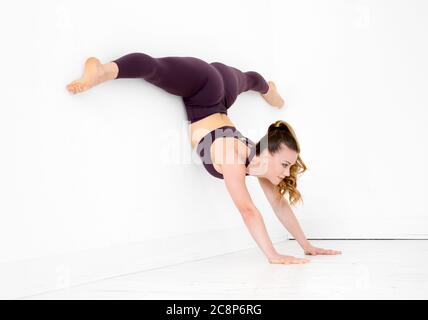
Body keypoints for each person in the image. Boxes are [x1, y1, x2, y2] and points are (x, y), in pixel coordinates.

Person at [66, 52, 342, 264]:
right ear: (268, 153)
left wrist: (306, 245)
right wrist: (273, 255)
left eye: (290, 166)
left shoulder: (259, 163)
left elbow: (280, 205)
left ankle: (269, 89)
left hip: (223, 95)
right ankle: (101, 70)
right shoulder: (234, 156)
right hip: (205, 87)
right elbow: (248, 210)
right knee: (155, 68)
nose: (286, 172)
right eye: (285, 164)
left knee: (248, 80)